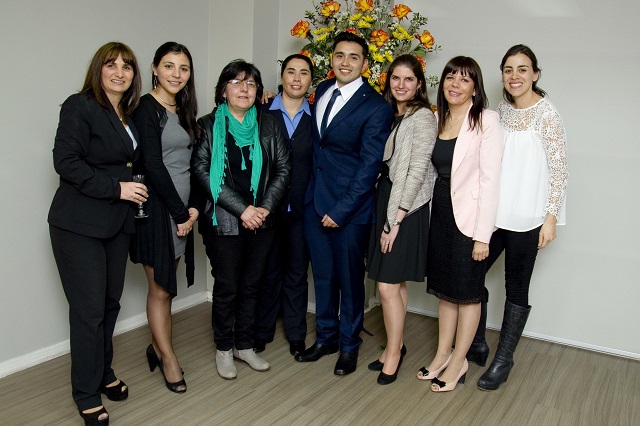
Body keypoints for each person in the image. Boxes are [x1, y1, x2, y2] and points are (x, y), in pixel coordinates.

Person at [48, 42, 143, 425]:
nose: (120, 72)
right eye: (111, 64)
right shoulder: (80, 105)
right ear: (98, 69)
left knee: (108, 306)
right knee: (88, 312)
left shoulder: (127, 115)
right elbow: (65, 161)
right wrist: (117, 189)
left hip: (116, 225)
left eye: (127, 66)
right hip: (78, 225)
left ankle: (103, 372)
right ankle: (86, 393)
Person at [296, 32, 394, 376]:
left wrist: (340, 211)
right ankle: (326, 338)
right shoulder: (322, 90)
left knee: (350, 281)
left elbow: (369, 167)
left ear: (365, 64)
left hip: (349, 211)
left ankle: (349, 345)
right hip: (314, 201)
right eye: (340, 55)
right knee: (323, 276)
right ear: (331, 59)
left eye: (354, 57)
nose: (345, 62)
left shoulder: (377, 107)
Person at [471, 44, 568, 391]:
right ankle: (477, 341)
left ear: (535, 74)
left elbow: (559, 170)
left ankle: (503, 359)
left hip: (528, 217)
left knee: (516, 287)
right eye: (509, 69)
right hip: (496, 215)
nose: (515, 76)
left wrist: (551, 218)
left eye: (522, 69)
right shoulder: (501, 111)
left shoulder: (547, 114)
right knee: (471, 273)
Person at [191, 60, 290, 380]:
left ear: (258, 92)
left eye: (250, 83)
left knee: (252, 286)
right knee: (228, 287)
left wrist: (263, 209)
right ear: (223, 91)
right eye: (236, 82)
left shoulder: (269, 124)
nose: (244, 89)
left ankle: (244, 345)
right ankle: (223, 348)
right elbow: (202, 173)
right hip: (224, 223)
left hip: (263, 221)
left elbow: (283, 169)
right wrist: (243, 210)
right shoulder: (207, 125)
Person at [417, 56, 503, 392]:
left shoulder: (486, 120)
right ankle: (442, 354)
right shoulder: (436, 118)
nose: (455, 84)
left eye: (464, 79)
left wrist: (483, 237)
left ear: (475, 89)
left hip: (470, 219)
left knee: (467, 293)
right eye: (450, 77)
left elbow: (491, 181)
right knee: (445, 289)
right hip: (439, 211)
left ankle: (459, 360)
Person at [130, 42, 200, 393]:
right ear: (155, 68)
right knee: (160, 288)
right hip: (159, 211)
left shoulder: (183, 109)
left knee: (166, 289)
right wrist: (180, 212)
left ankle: (158, 347)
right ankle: (168, 359)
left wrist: (193, 209)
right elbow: (153, 165)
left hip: (182, 212)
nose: (176, 74)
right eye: (169, 66)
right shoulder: (146, 108)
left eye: (183, 68)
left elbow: (191, 164)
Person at [365, 54, 437, 385]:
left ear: (419, 83)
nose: (401, 85)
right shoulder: (390, 113)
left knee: (387, 284)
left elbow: (418, 171)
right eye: (396, 78)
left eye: (409, 79)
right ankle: (397, 345)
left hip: (405, 207)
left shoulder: (422, 117)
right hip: (386, 197)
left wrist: (396, 220)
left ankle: (393, 353)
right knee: (395, 283)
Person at [253, 54, 314, 357]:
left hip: (303, 209)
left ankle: (296, 333)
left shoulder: (318, 117)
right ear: (281, 77)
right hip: (267, 208)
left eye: (303, 73)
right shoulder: (261, 111)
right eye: (291, 72)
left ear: (311, 81)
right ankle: (262, 331)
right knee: (267, 271)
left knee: (297, 273)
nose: (296, 78)